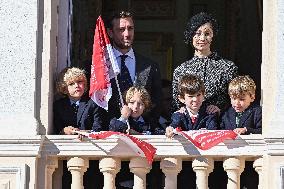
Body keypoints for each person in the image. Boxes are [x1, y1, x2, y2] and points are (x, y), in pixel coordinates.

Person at [106, 10, 162, 132]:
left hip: (141, 137)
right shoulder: (101, 66)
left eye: (130, 28)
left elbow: (157, 104)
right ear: (110, 32)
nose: (127, 34)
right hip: (108, 137)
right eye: (121, 30)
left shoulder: (150, 66)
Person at [172, 12, 238, 114]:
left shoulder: (228, 67)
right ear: (191, 35)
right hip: (190, 126)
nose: (202, 38)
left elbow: (236, 99)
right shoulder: (180, 70)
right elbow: (176, 102)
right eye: (197, 33)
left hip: (220, 123)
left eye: (207, 34)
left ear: (213, 36)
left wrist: (219, 108)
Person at [53, 67, 108, 134]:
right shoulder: (58, 106)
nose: (76, 86)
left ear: (84, 84)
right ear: (64, 88)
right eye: (71, 84)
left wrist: (84, 133)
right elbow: (56, 129)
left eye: (79, 82)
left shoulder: (93, 103)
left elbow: (98, 128)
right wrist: (63, 131)